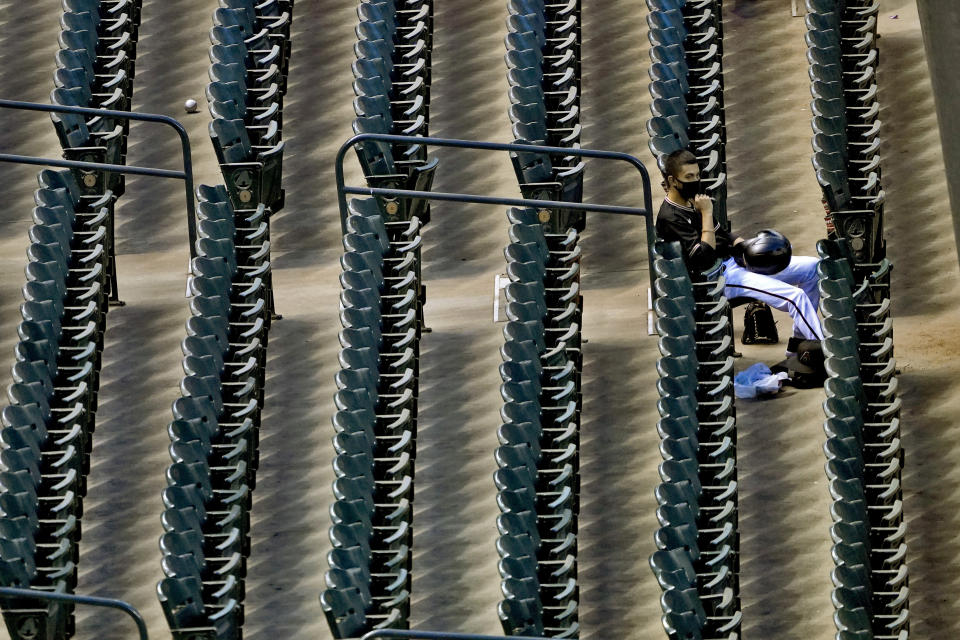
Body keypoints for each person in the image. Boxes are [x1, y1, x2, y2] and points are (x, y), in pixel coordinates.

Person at [654, 148, 824, 354]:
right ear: (672, 181)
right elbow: (704, 258)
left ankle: (800, 346)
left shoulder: (691, 201)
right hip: (716, 278)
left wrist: (745, 246)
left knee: (813, 268)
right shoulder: (670, 217)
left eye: (697, 175)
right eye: (689, 177)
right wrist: (706, 213)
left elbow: (723, 235)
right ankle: (821, 352)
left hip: (733, 264)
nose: (695, 181)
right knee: (795, 297)